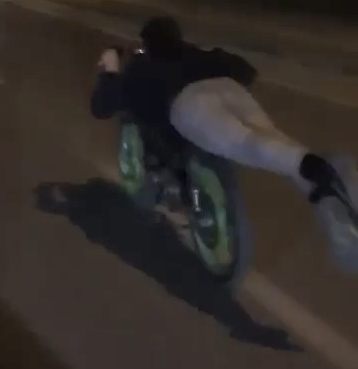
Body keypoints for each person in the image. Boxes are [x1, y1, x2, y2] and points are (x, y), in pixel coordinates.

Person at [91, 16, 358, 265]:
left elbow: (103, 106)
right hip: (230, 89)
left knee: (248, 143)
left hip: (190, 102)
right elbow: (245, 71)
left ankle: (319, 168)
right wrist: (201, 60)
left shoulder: (142, 66)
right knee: (271, 141)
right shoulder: (195, 53)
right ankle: (332, 200)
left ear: (147, 43)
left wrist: (110, 68)